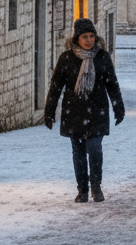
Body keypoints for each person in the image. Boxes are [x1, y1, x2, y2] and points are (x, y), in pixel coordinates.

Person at [43, 18, 125, 203]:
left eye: (91, 36)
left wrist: (118, 108)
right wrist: (49, 112)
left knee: (95, 148)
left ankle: (96, 186)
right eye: (84, 37)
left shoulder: (102, 57)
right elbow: (56, 87)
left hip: (97, 111)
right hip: (74, 111)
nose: (89, 40)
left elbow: (112, 84)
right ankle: (82, 189)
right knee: (78, 151)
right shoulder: (66, 58)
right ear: (76, 39)